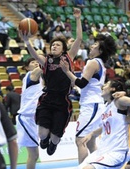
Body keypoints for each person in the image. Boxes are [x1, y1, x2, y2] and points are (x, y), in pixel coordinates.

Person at [21, 8, 82, 156]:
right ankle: (45, 139)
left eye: (57, 45)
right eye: (52, 45)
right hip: (47, 99)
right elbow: (34, 54)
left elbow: (79, 39)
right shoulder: (46, 60)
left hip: (62, 101)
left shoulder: (68, 57)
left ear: (63, 49)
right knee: (42, 135)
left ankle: (54, 142)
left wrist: (78, 18)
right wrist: (26, 41)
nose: (54, 46)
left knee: (55, 137)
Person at [60, 34, 116, 169]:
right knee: (90, 143)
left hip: (91, 106)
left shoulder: (93, 62)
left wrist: (66, 71)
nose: (92, 46)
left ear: (100, 50)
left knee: (81, 141)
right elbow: (83, 85)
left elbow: (82, 83)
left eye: (95, 45)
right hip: (93, 104)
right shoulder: (98, 63)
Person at [16, 58, 44, 169]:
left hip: (33, 119)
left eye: (36, 61)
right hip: (26, 118)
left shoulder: (40, 80)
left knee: (34, 155)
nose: (36, 63)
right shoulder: (31, 75)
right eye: (32, 62)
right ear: (27, 68)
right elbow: (45, 64)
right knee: (33, 155)